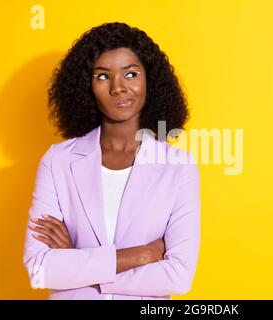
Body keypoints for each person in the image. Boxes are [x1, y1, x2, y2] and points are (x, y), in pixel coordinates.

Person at [23, 22, 200, 300]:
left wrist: (78, 263)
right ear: (87, 86)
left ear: (149, 80)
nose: (118, 87)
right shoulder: (57, 161)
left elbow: (178, 277)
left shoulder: (179, 167)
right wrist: (142, 254)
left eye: (131, 73)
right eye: (103, 77)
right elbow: (40, 268)